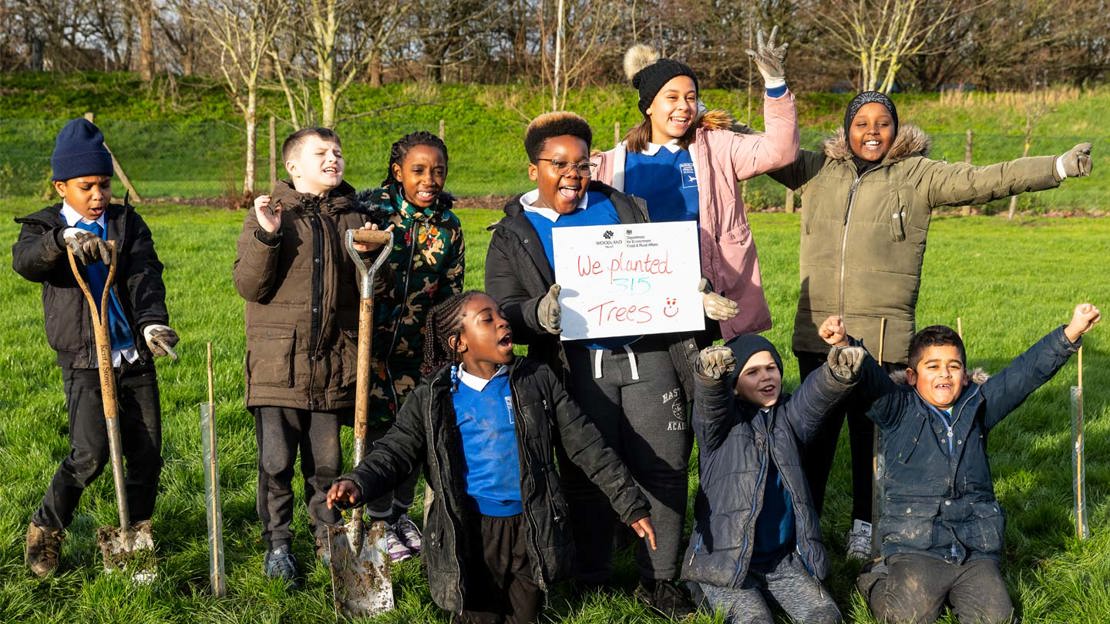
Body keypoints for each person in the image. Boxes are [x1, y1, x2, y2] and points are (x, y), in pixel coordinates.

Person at [769, 90, 1095, 558]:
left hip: (882, 342)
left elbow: (986, 179)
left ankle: (868, 528)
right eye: (862, 123)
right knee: (812, 443)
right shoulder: (816, 169)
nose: (873, 132)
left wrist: (1056, 167)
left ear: (896, 129)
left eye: (883, 123)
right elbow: (759, 150)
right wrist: (706, 120)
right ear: (847, 129)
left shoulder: (919, 176)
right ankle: (806, 529)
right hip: (819, 335)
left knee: (872, 446)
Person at [485, 111, 722, 617]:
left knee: (664, 467)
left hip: (648, 356)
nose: (574, 173)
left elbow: (660, 271)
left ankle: (659, 578)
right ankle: (590, 574)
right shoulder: (513, 233)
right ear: (534, 170)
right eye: (560, 163)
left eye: (583, 163)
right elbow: (504, 309)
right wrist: (537, 313)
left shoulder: (624, 208)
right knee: (585, 471)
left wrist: (690, 290)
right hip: (576, 366)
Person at [326, 291, 656, 623]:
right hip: (470, 532)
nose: (502, 322)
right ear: (459, 343)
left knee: (524, 616)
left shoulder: (536, 381)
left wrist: (628, 501)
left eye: (501, 315)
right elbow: (394, 451)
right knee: (478, 615)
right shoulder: (433, 398)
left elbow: (586, 444)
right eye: (487, 319)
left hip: (531, 528)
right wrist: (358, 481)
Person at [850, 304, 1101, 623]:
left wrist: (1071, 332)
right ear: (912, 376)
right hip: (916, 545)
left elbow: (1023, 374)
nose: (944, 373)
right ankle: (876, 577)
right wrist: (847, 345)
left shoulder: (979, 405)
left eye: (954, 366)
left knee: (997, 617)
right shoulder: (898, 410)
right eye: (933, 366)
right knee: (907, 616)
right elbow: (870, 381)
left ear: (965, 375)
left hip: (974, 547)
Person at [13, 118, 178, 576]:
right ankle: (45, 529)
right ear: (61, 186)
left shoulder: (126, 223)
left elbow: (145, 274)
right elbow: (25, 262)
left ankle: (136, 533)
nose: (98, 195)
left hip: (133, 356)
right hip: (85, 361)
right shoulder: (43, 227)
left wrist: (152, 325)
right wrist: (60, 242)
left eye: (104, 185)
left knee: (146, 453)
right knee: (90, 454)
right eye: (86, 186)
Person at [233, 126, 384, 583]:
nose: (333, 159)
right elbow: (249, 286)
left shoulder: (354, 218)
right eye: (321, 153)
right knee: (275, 463)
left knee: (328, 465)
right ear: (293, 165)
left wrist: (374, 252)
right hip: (279, 366)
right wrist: (267, 236)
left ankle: (327, 535)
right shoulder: (271, 214)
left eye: (338, 152)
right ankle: (278, 545)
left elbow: (371, 290)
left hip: (335, 364)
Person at [592, 28, 799, 341]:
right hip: (643, 300)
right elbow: (560, 185)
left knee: (712, 384)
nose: (684, 106)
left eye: (691, 98)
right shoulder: (612, 165)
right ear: (648, 105)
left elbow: (780, 151)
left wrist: (774, 84)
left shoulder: (717, 147)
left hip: (711, 299)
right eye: (672, 98)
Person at [685, 317, 865, 624]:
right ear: (735, 386)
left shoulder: (789, 418)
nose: (766, 377)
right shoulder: (720, 429)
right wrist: (711, 378)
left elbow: (814, 399)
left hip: (782, 561)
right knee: (754, 620)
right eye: (752, 372)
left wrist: (836, 374)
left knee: (825, 617)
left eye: (771, 368)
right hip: (725, 562)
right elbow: (710, 405)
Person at [357, 130, 465, 562]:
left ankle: (399, 516)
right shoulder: (373, 214)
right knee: (378, 434)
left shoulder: (448, 225)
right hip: (371, 347)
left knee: (414, 432)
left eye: (438, 171)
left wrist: (442, 352)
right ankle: (375, 517)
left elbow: (451, 292)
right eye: (418, 170)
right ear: (398, 171)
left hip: (419, 351)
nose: (429, 179)